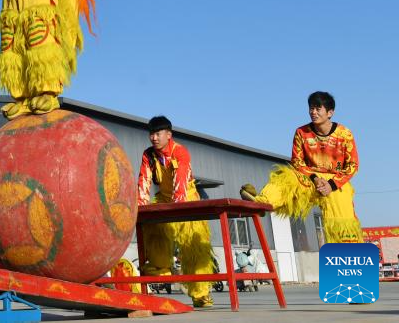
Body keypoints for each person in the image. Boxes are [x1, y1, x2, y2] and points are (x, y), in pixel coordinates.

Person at [241, 91, 361, 243]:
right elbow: (297, 162)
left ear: (330, 112)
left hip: (336, 182)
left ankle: (347, 254)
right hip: (310, 178)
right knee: (285, 177)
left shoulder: (345, 134)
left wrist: (331, 185)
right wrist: (315, 179)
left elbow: (352, 165)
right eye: (311, 108)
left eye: (318, 109)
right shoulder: (301, 132)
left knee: (342, 221)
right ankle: (261, 202)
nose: (313, 112)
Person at [136, 115, 215, 309]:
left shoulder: (180, 152)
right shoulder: (149, 155)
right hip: (163, 197)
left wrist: (179, 206)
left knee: (195, 247)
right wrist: (140, 207)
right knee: (153, 228)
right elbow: (144, 181)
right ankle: (161, 267)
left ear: (168, 134)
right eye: (151, 134)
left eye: (158, 133)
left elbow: (180, 180)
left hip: (187, 198)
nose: (154, 138)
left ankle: (201, 293)